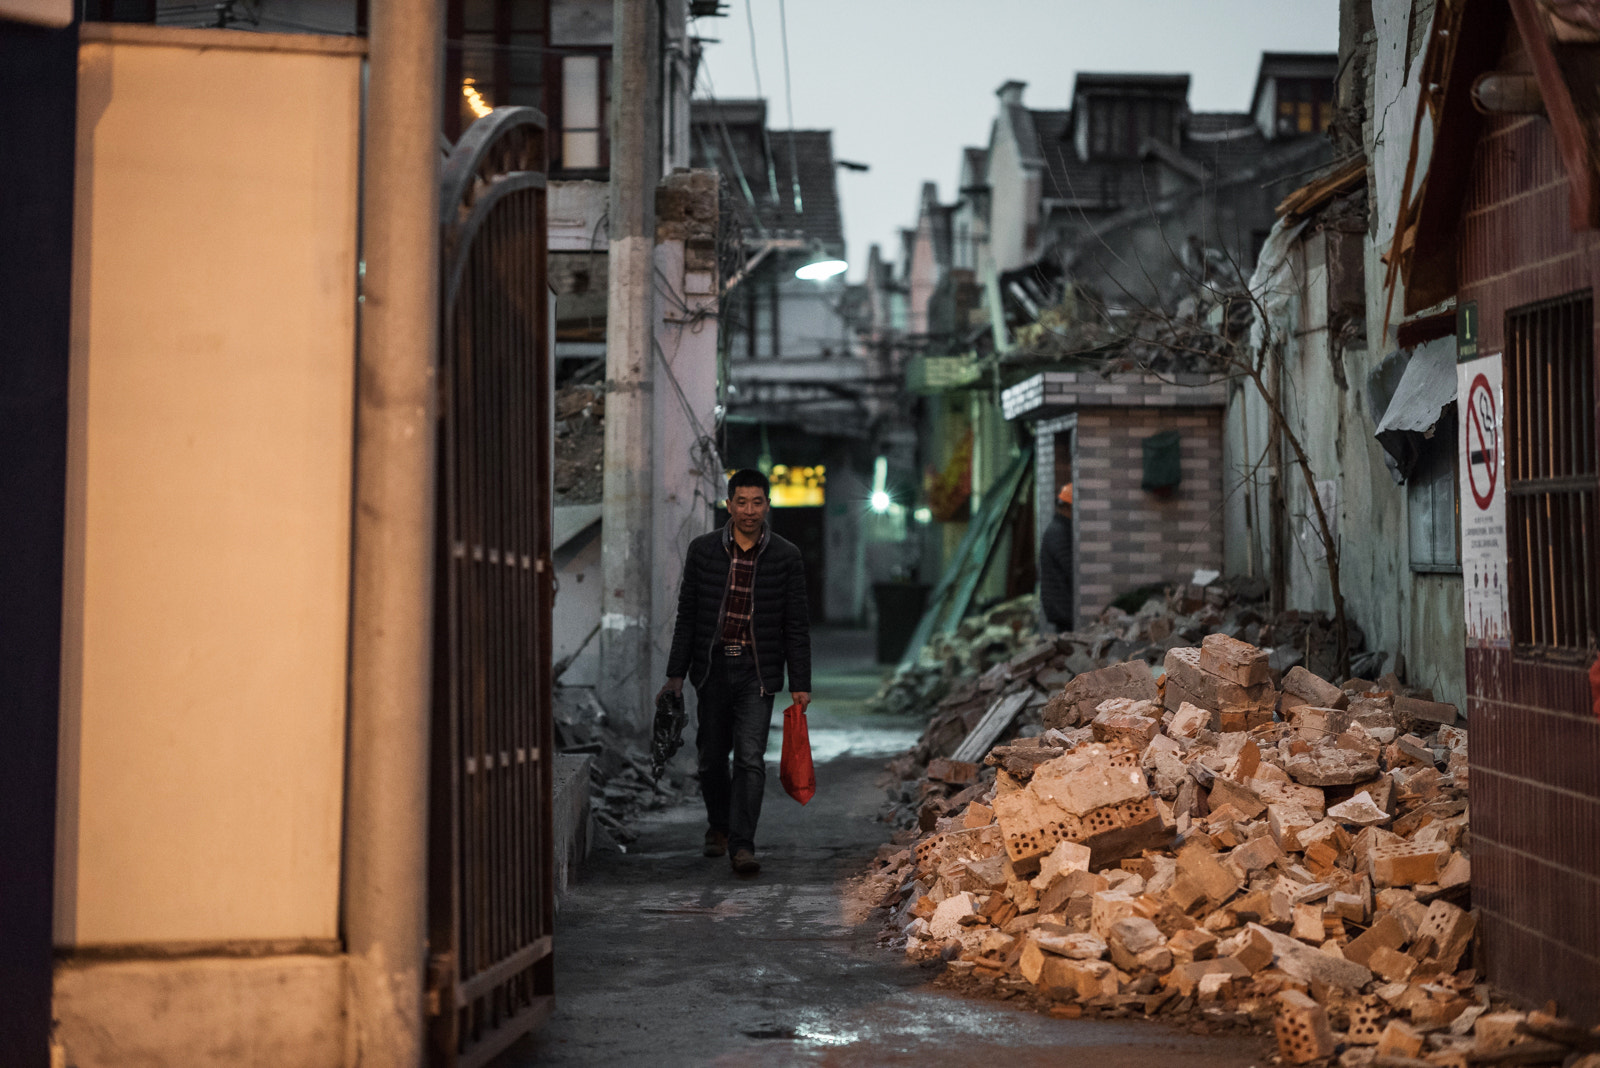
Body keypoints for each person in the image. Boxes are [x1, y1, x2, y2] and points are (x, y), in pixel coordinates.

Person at [660, 469, 812, 876]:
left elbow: (796, 623)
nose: (749, 510)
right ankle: (719, 826)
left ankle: (742, 845)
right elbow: (688, 615)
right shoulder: (703, 551)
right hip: (710, 669)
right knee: (711, 759)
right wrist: (675, 674)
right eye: (741, 502)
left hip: (756, 671)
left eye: (757, 502)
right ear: (728, 505)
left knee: (750, 759)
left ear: (767, 505)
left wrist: (800, 683)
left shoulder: (786, 556)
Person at [1039, 482, 1075, 631]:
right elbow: (1071, 568)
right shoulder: (1059, 532)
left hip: (1062, 608)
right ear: (1068, 507)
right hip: (1064, 610)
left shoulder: (1058, 528)